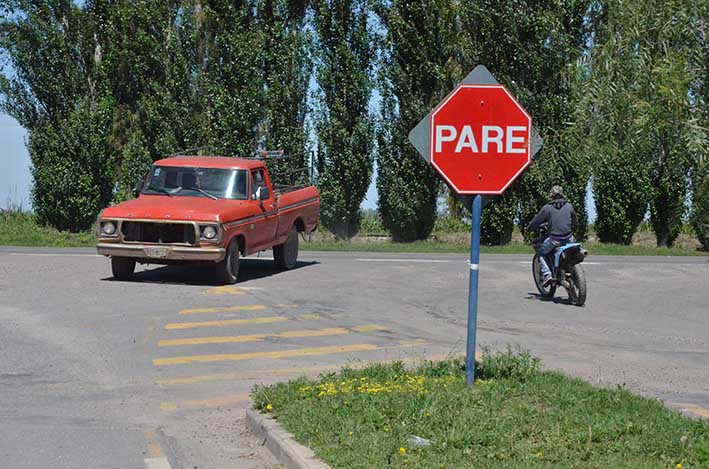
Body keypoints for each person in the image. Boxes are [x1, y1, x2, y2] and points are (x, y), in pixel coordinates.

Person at [526, 185, 576, 285]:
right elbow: (574, 220)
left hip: (554, 239)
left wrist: (529, 228)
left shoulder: (547, 208)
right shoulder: (569, 206)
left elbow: (536, 221)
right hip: (569, 238)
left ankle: (547, 275)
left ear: (552, 195)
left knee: (541, 253)